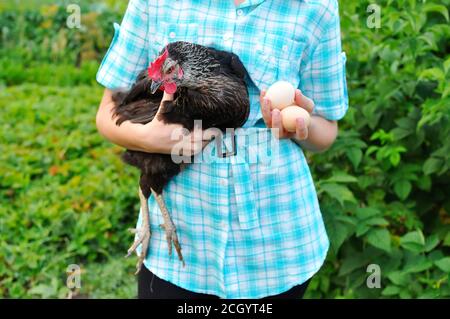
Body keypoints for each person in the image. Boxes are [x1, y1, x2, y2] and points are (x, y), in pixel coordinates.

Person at [95, 0, 348, 299]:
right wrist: (152, 139)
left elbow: (326, 130)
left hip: (277, 241)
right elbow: (107, 114)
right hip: (176, 244)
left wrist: (297, 123)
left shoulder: (316, 7)